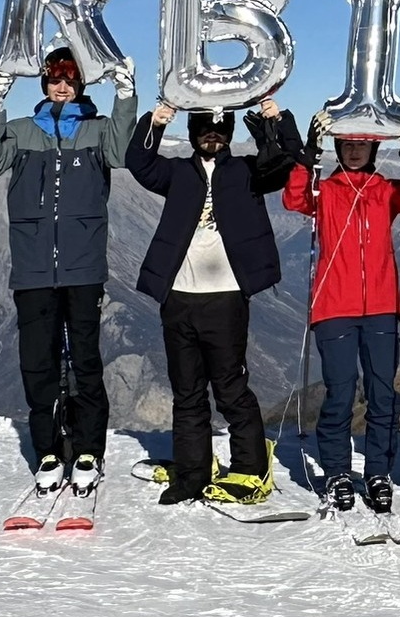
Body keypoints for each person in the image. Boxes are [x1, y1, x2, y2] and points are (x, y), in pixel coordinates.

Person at [125, 97, 301, 506]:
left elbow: (287, 159)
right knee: (186, 392)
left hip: (226, 298)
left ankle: (250, 470)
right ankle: (191, 474)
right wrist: (156, 119)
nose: (213, 135)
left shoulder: (246, 170)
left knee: (230, 388)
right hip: (178, 297)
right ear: (192, 133)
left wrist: (278, 117)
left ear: (230, 133)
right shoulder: (177, 172)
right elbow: (138, 160)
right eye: (205, 128)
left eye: (221, 130)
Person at [0, 47, 139, 495]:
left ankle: (88, 451)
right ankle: (48, 451)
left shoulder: (97, 130)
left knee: (86, 362)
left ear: (82, 84)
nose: (62, 86)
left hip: (84, 267)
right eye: (54, 78)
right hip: (31, 268)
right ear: (44, 83)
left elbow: (123, 154)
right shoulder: (21, 131)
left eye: (70, 79)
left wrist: (127, 98)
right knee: (38, 364)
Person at [282, 115, 400, 513]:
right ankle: (337, 473)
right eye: (347, 144)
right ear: (338, 148)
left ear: (375, 149)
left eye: (363, 144)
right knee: (340, 393)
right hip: (334, 307)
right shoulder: (326, 190)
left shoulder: (384, 190)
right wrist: (307, 155)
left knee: (383, 394)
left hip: (381, 307)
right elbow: (294, 198)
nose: (356, 149)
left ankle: (378, 472)